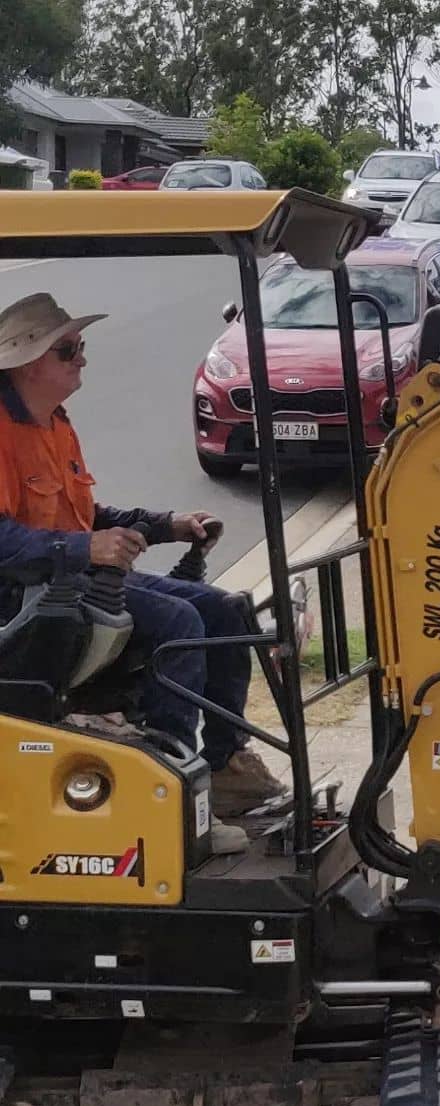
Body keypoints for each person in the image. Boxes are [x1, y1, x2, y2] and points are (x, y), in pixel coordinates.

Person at [0, 292, 289, 833]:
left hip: (71, 585)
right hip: (25, 601)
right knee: (180, 623)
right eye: (68, 350)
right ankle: (168, 782)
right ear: (29, 362)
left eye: (79, 346)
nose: (82, 357)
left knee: (227, 611)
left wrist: (162, 525)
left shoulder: (55, 424)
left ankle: (225, 765)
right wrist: (86, 549)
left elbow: (87, 514)